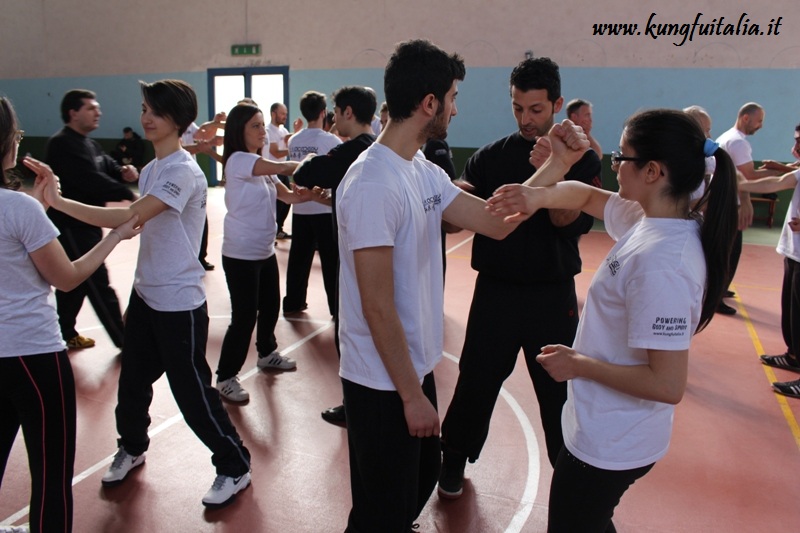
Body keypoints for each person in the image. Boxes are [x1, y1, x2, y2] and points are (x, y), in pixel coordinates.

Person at [486, 109, 738, 532]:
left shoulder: (664, 262)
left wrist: (578, 364)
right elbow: (586, 196)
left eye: (623, 157)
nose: (614, 164)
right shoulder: (652, 221)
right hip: (604, 424)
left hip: (615, 439)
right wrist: (538, 196)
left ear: (653, 171)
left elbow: (667, 384)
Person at [32, 79, 252, 509]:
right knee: (132, 384)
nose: (146, 117)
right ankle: (132, 446)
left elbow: (130, 216)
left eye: (156, 111)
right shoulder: (153, 169)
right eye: (145, 108)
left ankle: (234, 464)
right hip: (147, 295)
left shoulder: (184, 172)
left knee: (192, 395)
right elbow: (135, 226)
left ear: (178, 120)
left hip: (179, 304)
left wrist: (57, 202)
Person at [336, 38, 527, 532]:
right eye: (453, 97)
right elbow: (376, 305)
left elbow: (495, 222)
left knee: (414, 487)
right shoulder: (373, 183)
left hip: (412, 365)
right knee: (381, 511)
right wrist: (410, 396)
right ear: (429, 104)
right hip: (380, 381)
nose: (456, 109)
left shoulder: (423, 171)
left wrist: (555, 170)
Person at [438, 57, 602, 499]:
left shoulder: (581, 159)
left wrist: (557, 169)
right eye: (518, 108)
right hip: (496, 293)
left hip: (551, 296)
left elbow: (569, 218)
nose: (526, 119)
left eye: (536, 110)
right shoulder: (491, 156)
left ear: (557, 105)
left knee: (559, 391)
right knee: (476, 381)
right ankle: (452, 460)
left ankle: (571, 480)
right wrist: (446, 195)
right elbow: (458, 215)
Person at [0, 96, 140, 533]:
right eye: (17, 135)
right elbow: (67, 277)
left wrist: (41, 209)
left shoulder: (22, 210)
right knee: (51, 474)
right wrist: (114, 234)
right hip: (33, 355)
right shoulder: (17, 208)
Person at [291, 86, 378, 426]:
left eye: (335, 113)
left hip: (356, 254)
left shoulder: (352, 150)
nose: (331, 120)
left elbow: (305, 173)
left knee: (351, 330)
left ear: (347, 113)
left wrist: (312, 162)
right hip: (368, 249)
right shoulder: (374, 147)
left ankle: (355, 404)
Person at [214, 103, 308, 403]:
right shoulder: (239, 161)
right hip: (240, 253)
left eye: (261, 124)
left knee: (269, 306)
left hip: (263, 251)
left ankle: (266, 353)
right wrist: (305, 163)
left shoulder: (260, 164)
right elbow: (282, 167)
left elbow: (288, 195)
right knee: (244, 317)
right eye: (255, 126)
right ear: (239, 132)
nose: (262, 132)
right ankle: (226, 377)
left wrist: (304, 195)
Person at [45, 89, 139, 350]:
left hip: (90, 223)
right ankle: (124, 341)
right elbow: (90, 179)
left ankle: (66, 333)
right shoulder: (62, 143)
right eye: (90, 108)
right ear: (73, 113)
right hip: (72, 225)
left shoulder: (89, 143)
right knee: (97, 281)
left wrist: (123, 171)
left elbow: (105, 164)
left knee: (74, 285)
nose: (98, 112)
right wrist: (128, 194)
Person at [739, 165, 800, 398]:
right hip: (794, 252)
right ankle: (793, 356)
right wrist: (740, 185)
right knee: (793, 313)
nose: (796, 148)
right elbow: (776, 183)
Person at [283, 91, 342, 316]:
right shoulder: (331, 141)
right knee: (329, 260)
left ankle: (293, 302)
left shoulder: (295, 139)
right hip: (322, 207)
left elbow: (293, 173)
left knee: (298, 257)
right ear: (323, 112)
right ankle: (335, 308)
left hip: (300, 207)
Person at [715, 102, 775, 314]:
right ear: (746, 118)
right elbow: (749, 176)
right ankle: (715, 297)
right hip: (731, 204)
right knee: (729, 252)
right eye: (759, 121)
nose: (760, 126)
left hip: (725, 202)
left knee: (728, 250)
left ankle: (719, 290)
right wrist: (783, 175)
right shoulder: (738, 142)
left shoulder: (727, 137)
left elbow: (744, 172)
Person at [267, 102, 303, 240]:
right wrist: (294, 150)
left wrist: (297, 131)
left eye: (286, 114)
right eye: (282, 113)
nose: (285, 116)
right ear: (273, 114)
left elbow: (290, 139)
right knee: (276, 204)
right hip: (274, 171)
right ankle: (273, 230)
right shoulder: (268, 131)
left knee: (285, 204)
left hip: (283, 172)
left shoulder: (283, 131)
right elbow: (276, 152)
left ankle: (279, 228)